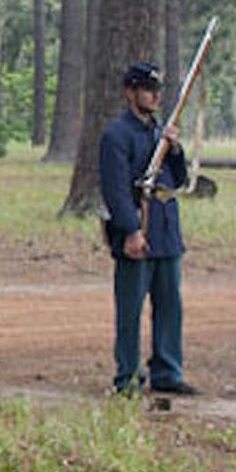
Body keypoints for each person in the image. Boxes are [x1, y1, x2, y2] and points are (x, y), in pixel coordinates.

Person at [100, 62, 197, 397]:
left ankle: (168, 371)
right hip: (137, 229)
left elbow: (179, 179)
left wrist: (176, 148)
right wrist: (130, 231)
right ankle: (128, 376)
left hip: (165, 229)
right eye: (146, 89)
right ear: (130, 93)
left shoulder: (160, 133)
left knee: (170, 305)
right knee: (130, 309)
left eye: (157, 90)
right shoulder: (116, 135)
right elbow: (115, 189)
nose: (155, 95)